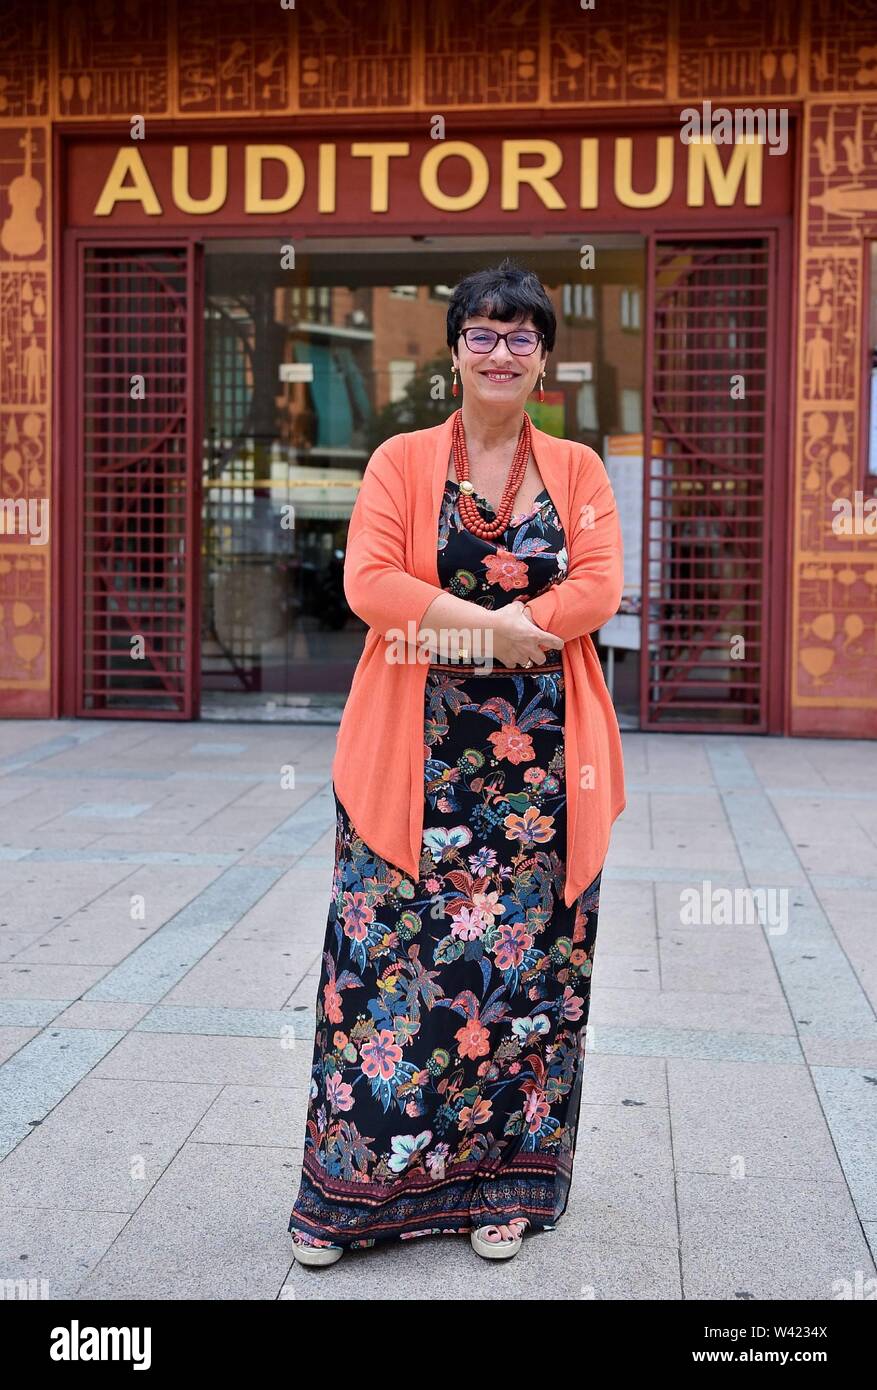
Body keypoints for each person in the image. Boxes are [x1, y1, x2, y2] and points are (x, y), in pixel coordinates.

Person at [287, 259, 626, 1266]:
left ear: (545, 359)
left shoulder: (578, 470)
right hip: (412, 764)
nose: (500, 351)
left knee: (519, 986)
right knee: (380, 977)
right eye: (481, 333)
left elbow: (601, 582)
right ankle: (346, 1204)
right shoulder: (400, 460)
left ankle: (500, 1195)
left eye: (521, 336)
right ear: (453, 352)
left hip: (540, 778)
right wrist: (492, 630)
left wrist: (524, 624)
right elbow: (369, 578)